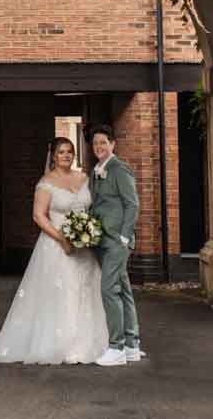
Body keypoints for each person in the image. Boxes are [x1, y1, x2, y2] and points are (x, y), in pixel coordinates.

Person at [0, 137, 109, 364]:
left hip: (83, 245)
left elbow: (93, 208)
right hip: (56, 243)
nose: (66, 156)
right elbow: (38, 216)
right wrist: (62, 239)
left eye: (70, 152)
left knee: (86, 288)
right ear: (53, 155)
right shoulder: (46, 182)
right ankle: (59, 342)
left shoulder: (83, 178)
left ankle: (86, 342)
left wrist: (88, 232)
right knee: (61, 291)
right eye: (61, 152)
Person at [88, 123, 142, 366]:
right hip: (101, 238)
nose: (99, 146)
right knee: (123, 288)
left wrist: (124, 235)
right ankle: (132, 344)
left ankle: (116, 347)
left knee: (109, 289)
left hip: (117, 240)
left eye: (103, 142)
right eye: (95, 143)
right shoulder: (96, 170)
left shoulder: (120, 169)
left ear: (113, 144)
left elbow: (132, 204)